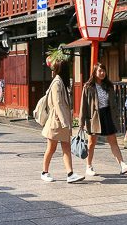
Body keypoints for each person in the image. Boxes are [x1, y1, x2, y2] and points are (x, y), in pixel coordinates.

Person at [79, 62, 127, 177]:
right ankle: (88, 166)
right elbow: (83, 105)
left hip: (107, 114)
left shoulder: (108, 86)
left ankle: (122, 164)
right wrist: (81, 123)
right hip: (94, 116)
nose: (102, 73)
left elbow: (113, 104)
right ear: (94, 72)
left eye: (103, 71)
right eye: (100, 71)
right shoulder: (88, 87)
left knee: (113, 141)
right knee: (91, 143)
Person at [41, 55, 84, 183]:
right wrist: (66, 122)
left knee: (66, 147)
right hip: (57, 121)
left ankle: (70, 173)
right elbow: (58, 103)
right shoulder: (57, 83)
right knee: (51, 148)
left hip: (62, 121)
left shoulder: (61, 83)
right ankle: (44, 172)